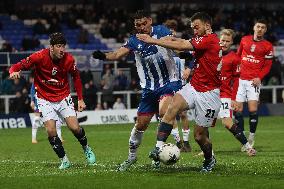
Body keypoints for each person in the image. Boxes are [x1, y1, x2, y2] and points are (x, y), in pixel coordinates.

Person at [92, 10, 182, 171]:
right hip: (149, 89)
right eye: (137, 25)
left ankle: (157, 152)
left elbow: (174, 43)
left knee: (164, 112)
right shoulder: (133, 41)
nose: (141, 27)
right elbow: (118, 54)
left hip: (169, 83)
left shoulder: (162, 30)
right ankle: (131, 157)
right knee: (141, 125)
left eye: (143, 23)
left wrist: (181, 52)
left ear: (150, 21)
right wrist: (103, 56)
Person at [137, 12, 221, 172]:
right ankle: (158, 147)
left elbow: (182, 45)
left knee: (199, 137)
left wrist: (153, 40)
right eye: (192, 28)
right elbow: (181, 42)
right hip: (194, 86)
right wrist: (164, 39)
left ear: (207, 26)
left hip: (210, 94)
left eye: (197, 27)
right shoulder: (202, 39)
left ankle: (209, 159)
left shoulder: (210, 40)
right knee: (172, 106)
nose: (194, 30)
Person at [9, 32, 96, 170]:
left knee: (75, 128)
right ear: (51, 47)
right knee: (51, 131)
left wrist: (80, 99)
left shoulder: (69, 59)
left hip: (63, 97)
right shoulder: (38, 57)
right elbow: (16, 66)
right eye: (59, 46)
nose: (62, 50)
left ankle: (86, 148)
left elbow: (76, 77)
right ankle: (64, 160)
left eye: (63, 46)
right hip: (44, 98)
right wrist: (12, 71)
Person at [234, 18, 274, 150]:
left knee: (252, 110)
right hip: (241, 80)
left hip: (253, 82)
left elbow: (268, 65)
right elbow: (238, 56)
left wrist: (259, 77)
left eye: (263, 27)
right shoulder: (244, 40)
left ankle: (251, 137)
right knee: (238, 110)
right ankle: (243, 139)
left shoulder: (268, 46)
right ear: (254, 27)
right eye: (258, 26)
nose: (260, 29)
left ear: (265, 30)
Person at [218, 29, 256, 156]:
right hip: (208, 93)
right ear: (219, 40)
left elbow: (236, 80)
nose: (224, 43)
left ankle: (247, 146)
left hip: (224, 94)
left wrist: (234, 98)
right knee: (203, 124)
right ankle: (206, 150)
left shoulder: (234, 58)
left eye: (227, 41)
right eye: (222, 40)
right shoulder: (211, 54)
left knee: (227, 122)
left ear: (231, 42)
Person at [163, 19, 192, 152]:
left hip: (182, 84)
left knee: (183, 114)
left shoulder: (182, 45)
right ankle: (178, 142)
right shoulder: (161, 46)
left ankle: (186, 143)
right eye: (169, 30)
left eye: (173, 29)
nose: (172, 32)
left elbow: (193, 59)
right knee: (171, 113)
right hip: (168, 83)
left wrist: (189, 69)